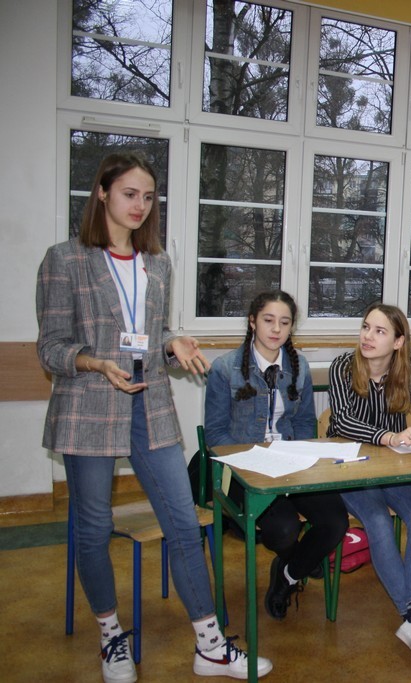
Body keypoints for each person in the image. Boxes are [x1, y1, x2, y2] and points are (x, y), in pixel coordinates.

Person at [36, 152, 271, 682]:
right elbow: (50, 347)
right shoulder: (65, 259)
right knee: (94, 527)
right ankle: (111, 637)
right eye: (129, 194)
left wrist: (172, 343)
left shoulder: (157, 263)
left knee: (184, 524)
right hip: (89, 404)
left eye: (147, 197)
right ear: (102, 193)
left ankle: (210, 647)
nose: (140, 205)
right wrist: (95, 362)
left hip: (151, 402)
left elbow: (150, 333)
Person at [204, 290, 349, 620]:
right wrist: (252, 463)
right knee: (283, 529)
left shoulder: (299, 367)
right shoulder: (224, 368)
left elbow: (305, 423)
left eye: (284, 323)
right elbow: (216, 435)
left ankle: (288, 574)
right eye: (268, 320)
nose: (276, 329)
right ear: (252, 322)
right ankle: (301, 558)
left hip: (290, 465)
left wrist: (298, 458)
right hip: (242, 469)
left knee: (335, 522)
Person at [326, 304, 411, 665]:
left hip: (393, 465)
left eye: (379, 331)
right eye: (366, 327)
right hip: (349, 465)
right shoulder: (342, 366)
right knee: (378, 520)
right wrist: (390, 436)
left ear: (398, 342)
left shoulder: (409, 371)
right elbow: (342, 421)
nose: (367, 336)